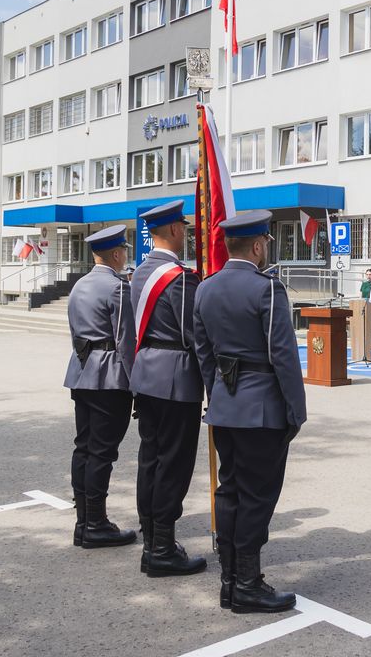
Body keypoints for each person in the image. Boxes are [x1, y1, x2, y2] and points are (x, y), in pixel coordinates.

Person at [192, 210, 307, 614]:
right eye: (266, 244)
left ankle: (230, 580)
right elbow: (283, 356)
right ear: (258, 246)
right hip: (262, 410)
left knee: (230, 491)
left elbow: (204, 354)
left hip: (225, 407)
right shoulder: (267, 289)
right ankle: (247, 584)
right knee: (257, 497)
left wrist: (219, 396)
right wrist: (296, 410)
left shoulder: (205, 288)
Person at [130, 201, 207, 576]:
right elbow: (195, 335)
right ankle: (162, 548)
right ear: (175, 230)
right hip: (176, 379)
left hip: (146, 374)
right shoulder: (179, 278)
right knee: (173, 465)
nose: (186, 233)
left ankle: (152, 541)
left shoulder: (140, 272)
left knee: (151, 460)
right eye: (184, 228)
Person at [65, 226, 137, 550]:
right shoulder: (118, 287)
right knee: (102, 452)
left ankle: (83, 523)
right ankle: (96, 524)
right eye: (124, 252)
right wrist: (137, 385)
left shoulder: (79, 285)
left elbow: (74, 332)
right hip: (109, 377)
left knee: (84, 447)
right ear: (117, 254)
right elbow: (126, 342)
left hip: (82, 371)